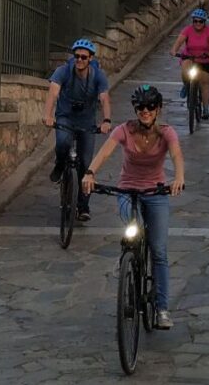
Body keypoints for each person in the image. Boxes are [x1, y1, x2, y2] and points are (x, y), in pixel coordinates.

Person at [82, 85, 185, 329]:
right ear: (135, 109)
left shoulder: (167, 133)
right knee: (131, 233)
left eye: (150, 106)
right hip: (128, 191)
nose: (145, 111)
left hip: (156, 193)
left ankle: (161, 308)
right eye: (140, 107)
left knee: (158, 251)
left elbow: (176, 155)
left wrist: (179, 177)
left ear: (158, 109)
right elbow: (105, 153)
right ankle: (128, 265)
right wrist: (90, 172)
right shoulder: (124, 130)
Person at [43, 38, 112, 222]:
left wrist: (106, 120)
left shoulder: (98, 75)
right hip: (65, 117)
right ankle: (60, 164)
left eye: (83, 57)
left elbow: (104, 98)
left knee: (86, 164)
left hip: (87, 122)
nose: (79, 60)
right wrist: (47, 115)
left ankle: (83, 206)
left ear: (90, 59)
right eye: (77, 56)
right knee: (63, 142)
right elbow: (53, 93)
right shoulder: (63, 71)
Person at [170, 8, 209, 119]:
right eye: (195, 21)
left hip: (205, 60)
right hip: (189, 57)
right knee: (185, 69)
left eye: (200, 21)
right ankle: (187, 85)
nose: (198, 23)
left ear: (204, 22)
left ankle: (205, 109)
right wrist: (174, 50)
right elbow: (179, 41)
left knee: (205, 84)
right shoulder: (187, 30)